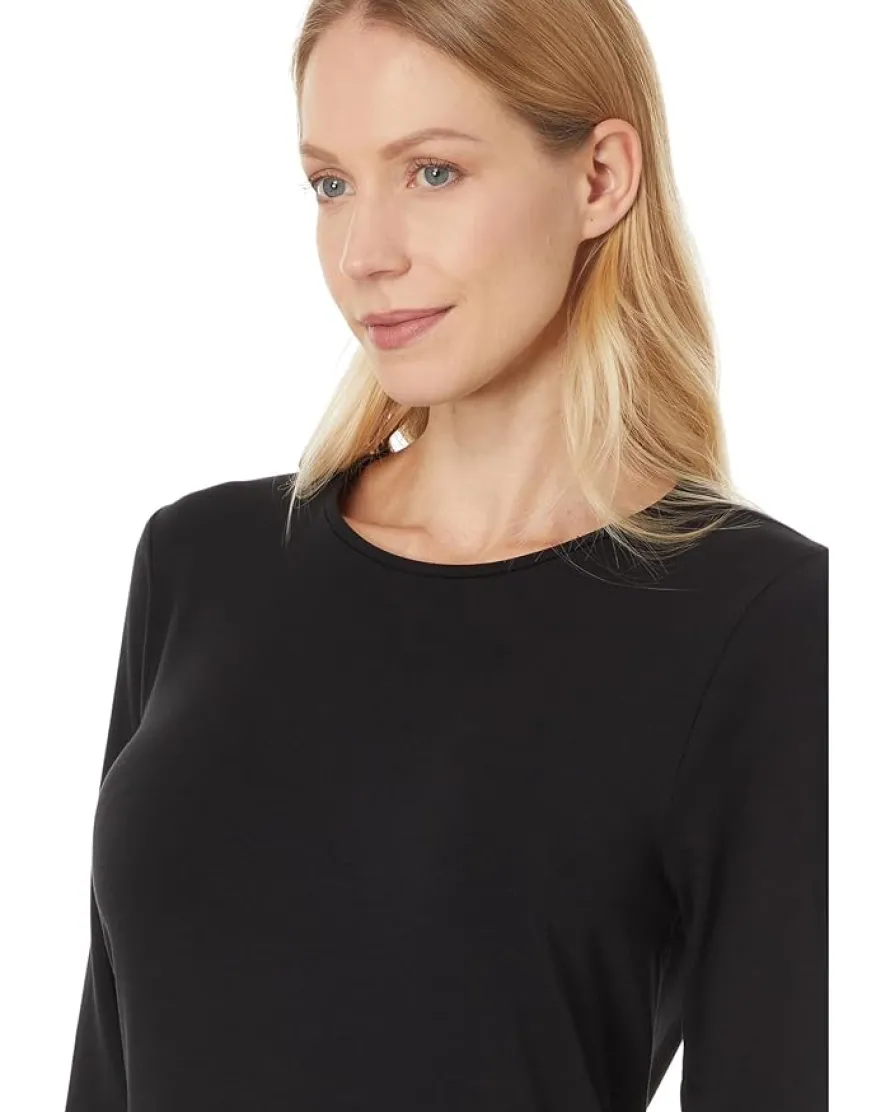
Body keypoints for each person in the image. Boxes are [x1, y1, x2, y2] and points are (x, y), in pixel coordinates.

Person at [63, 2, 828, 1110]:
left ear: (601, 178)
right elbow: (105, 1062)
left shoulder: (758, 616)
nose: (364, 255)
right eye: (331, 183)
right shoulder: (203, 563)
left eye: (432, 173)